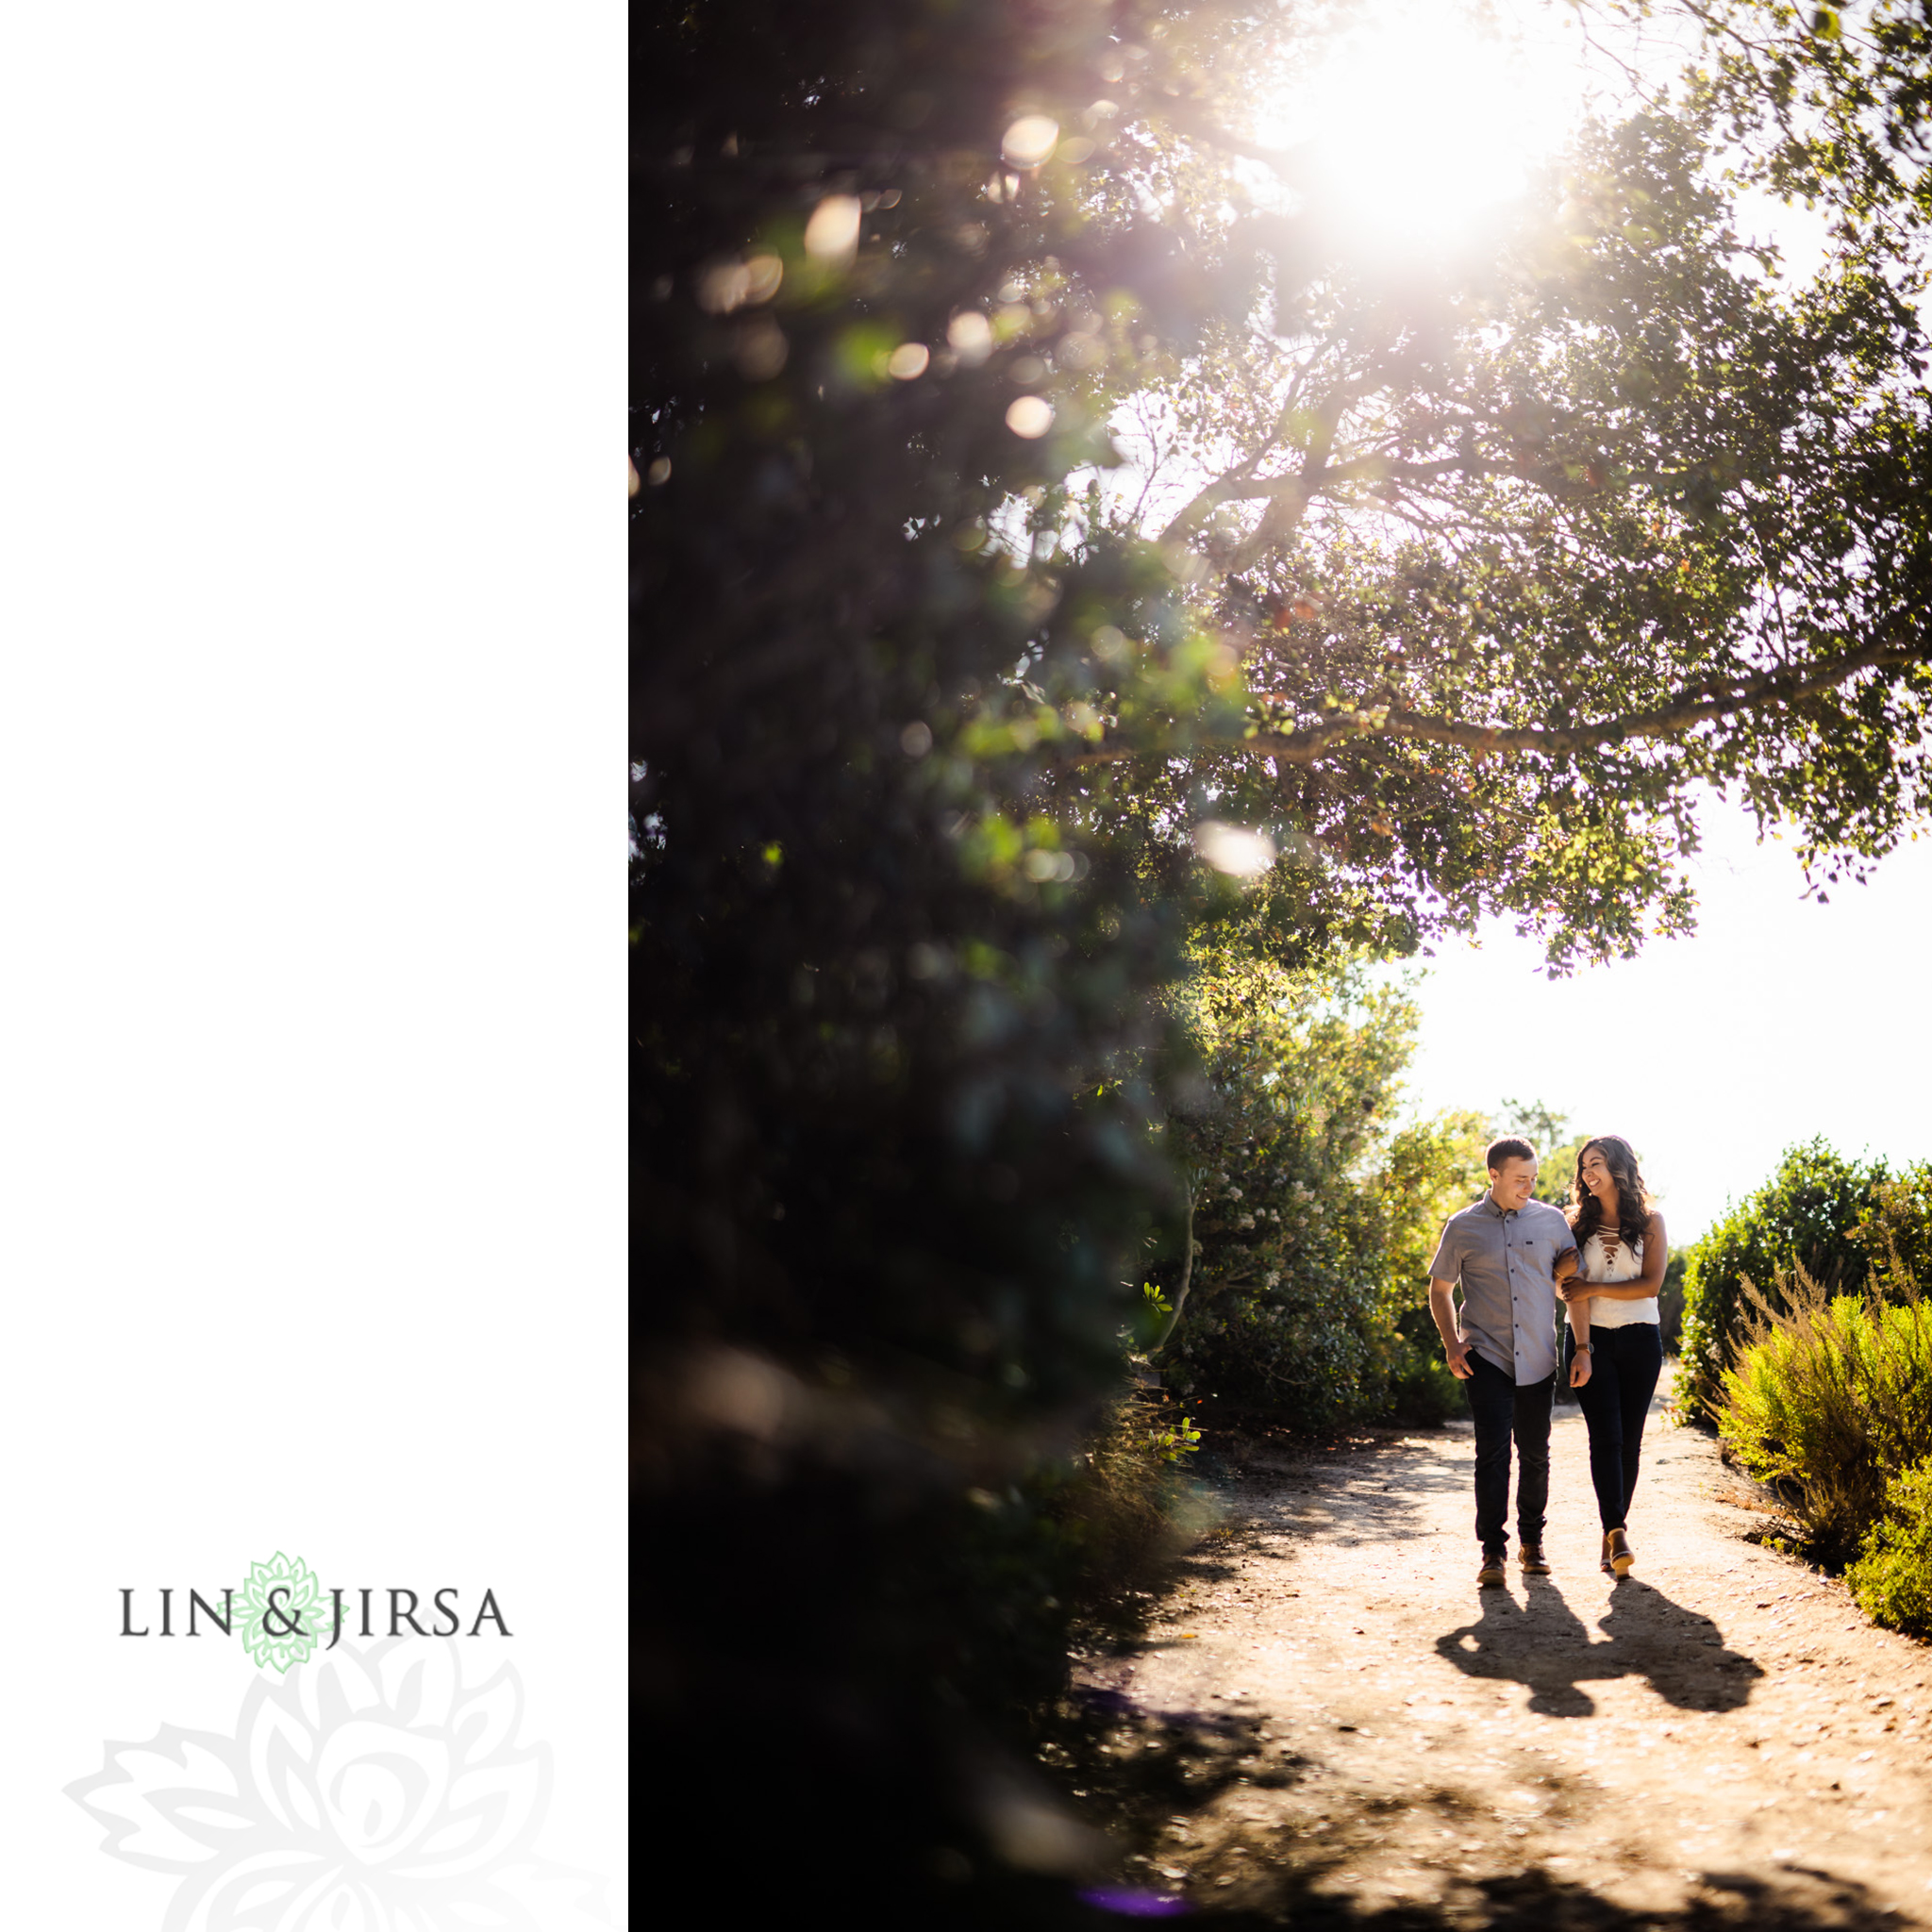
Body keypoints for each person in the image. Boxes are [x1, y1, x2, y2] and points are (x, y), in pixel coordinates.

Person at [1426, 1137, 1589, 1587]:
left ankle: (1532, 1543)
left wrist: (1581, 1347)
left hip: (1538, 1355)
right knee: (1492, 1453)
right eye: (1520, 1179)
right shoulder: (1462, 1227)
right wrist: (1451, 1344)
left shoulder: (1552, 1221)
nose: (1529, 1186)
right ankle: (1492, 1552)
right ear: (1493, 1175)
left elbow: (1571, 1287)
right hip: (1487, 1356)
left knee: (1535, 1455)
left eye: (1533, 1179)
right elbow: (1440, 1291)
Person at [1557, 1135, 1668, 1579]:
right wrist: (1582, 1347)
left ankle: (1611, 1534)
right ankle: (1616, 1530)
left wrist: (1594, 1287)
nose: (1587, 1172)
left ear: (1618, 1166)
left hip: (1641, 1339)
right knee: (1605, 1437)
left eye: (1597, 1163)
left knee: (1630, 1441)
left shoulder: (1651, 1222)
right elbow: (1570, 1292)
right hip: (1591, 1341)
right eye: (1584, 1165)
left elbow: (1651, 1285)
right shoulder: (1570, 1223)